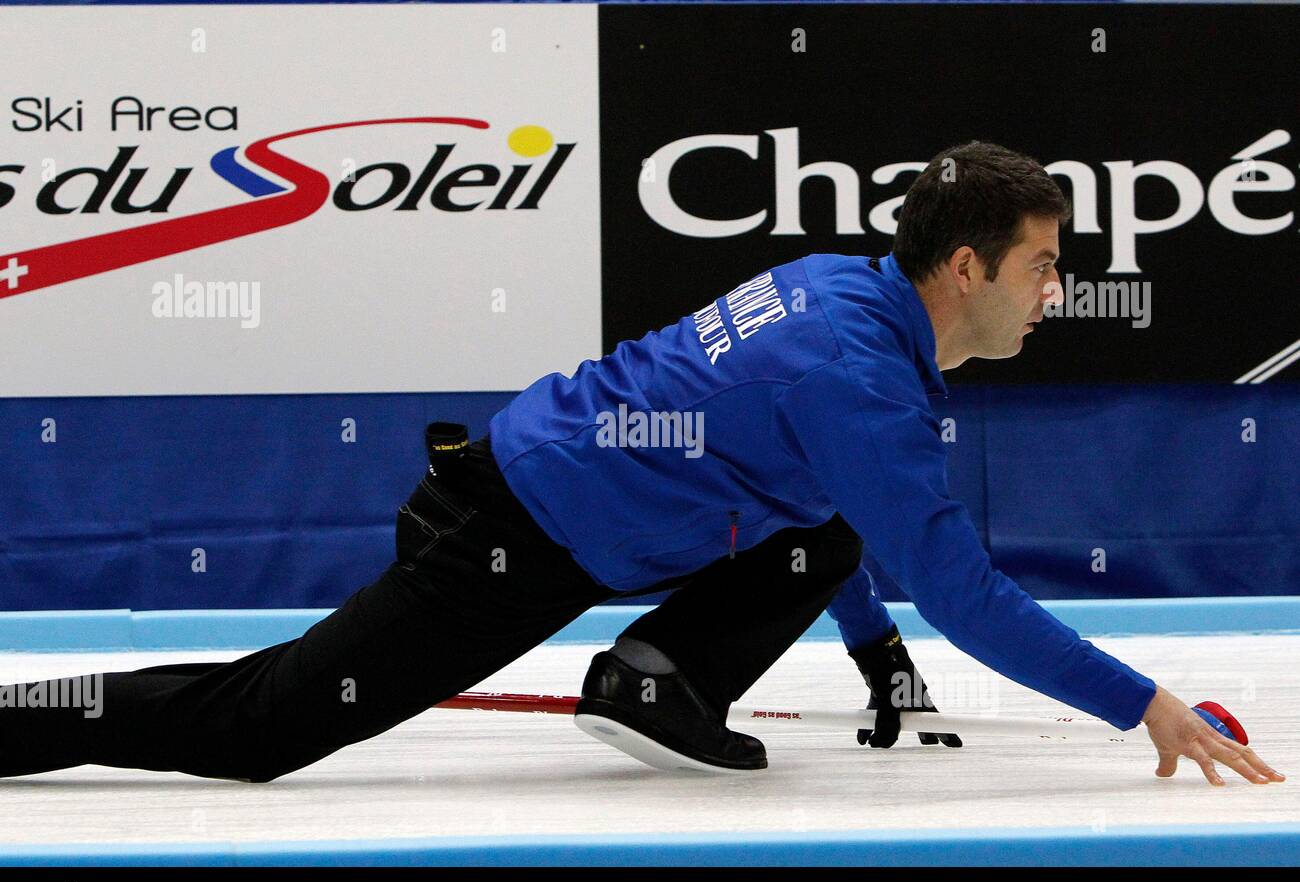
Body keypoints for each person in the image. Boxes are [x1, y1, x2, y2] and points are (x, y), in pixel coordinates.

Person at [2, 142, 1282, 788]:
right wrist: (1141, 702)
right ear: (967, 269)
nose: (1060, 289)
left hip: (546, 482)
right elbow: (962, 585)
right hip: (509, 533)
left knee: (831, 521)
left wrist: (873, 654)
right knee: (264, 724)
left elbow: (820, 497)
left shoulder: (849, 293)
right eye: (1045, 265)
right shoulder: (857, 376)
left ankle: (654, 677)